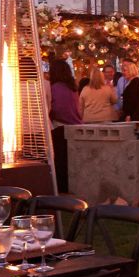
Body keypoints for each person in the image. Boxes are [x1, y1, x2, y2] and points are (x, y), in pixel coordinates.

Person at [48, 59, 82, 192]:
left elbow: (58, 109)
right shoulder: (72, 88)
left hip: (60, 128)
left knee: (60, 162)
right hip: (76, 127)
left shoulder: (55, 88)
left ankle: (61, 188)